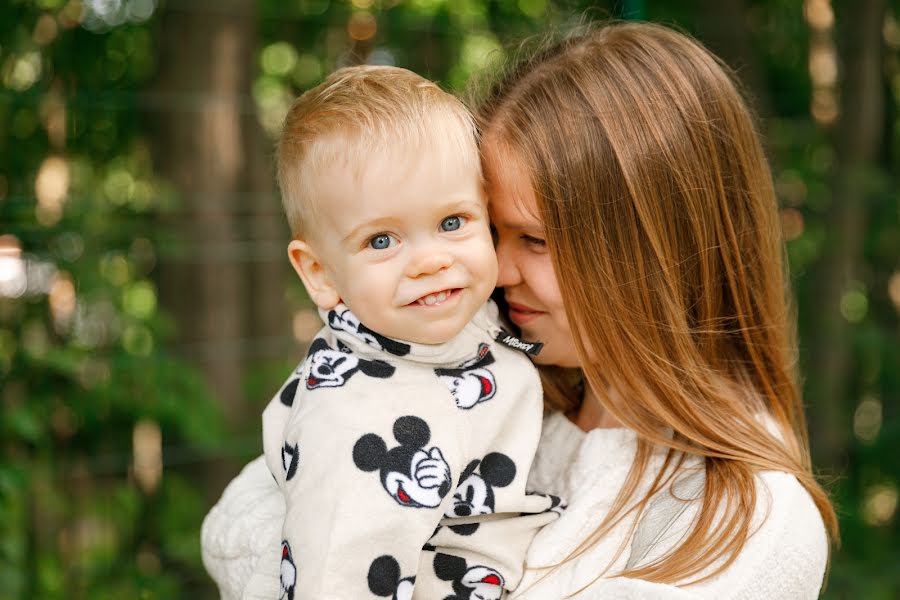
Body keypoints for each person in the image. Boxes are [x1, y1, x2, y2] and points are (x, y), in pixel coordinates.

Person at [202, 22, 837, 599]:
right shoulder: (468, 375)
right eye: (491, 232)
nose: (498, 274)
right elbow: (239, 522)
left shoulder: (749, 523)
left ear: (657, 252)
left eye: (534, 240)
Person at [247, 65, 559, 600]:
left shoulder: (466, 320)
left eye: (453, 222)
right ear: (319, 272)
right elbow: (332, 579)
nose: (431, 261)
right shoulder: (355, 420)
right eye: (382, 241)